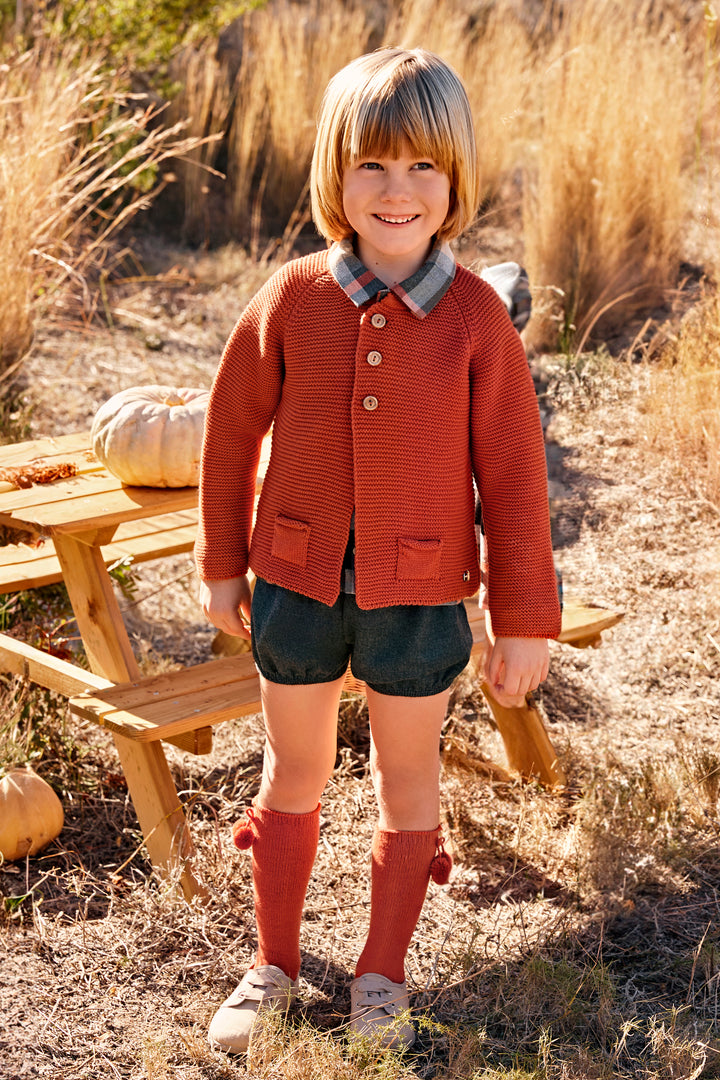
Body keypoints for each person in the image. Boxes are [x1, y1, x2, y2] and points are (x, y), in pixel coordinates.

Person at [195, 46, 561, 1055]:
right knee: (294, 768)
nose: (396, 193)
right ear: (335, 174)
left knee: (408, 784)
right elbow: (230, 433)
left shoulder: (479, 321)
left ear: (454, 182)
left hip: (420, 596)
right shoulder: (291, 298)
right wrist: (223, 561)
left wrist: (524, 620)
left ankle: (382, 976)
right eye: (373, 167)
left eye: (422, 170)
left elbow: (517, 479)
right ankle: (271, 962)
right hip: (297, 586)